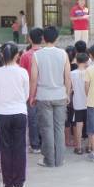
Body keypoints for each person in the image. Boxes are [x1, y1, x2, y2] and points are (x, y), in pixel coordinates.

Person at [0, 42, 29, 187]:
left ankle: (8, 183)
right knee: (19, 147)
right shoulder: (23, 72)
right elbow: (26, 94)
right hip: (19, 113)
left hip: (3, 114)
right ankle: (19, 183)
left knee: (5, 148)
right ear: (17, 55)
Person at [29, 26, 72, 168]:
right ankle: (59, 160)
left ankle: (49, 160)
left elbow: (34, 79)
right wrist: (68, 93)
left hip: (43, 96)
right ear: (57, 38)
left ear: (43, 38)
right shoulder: (63, 54)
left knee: (47, 128)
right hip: (60, 95)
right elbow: (67, 77)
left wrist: (32, 96)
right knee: (59, 128)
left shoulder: (37, 55)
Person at [19, 28, 44, 154]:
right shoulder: (46, 54)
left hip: (30, 91)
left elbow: (22, 76)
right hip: (45, 91)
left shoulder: (25, 56)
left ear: (29, 39)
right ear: (43, 39)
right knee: (45, 118)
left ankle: (35, 145)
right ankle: (46, 143)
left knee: (33, 119)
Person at [71, 52, 89, 155]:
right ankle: (89, 146)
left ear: (76, 61)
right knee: (90, 124)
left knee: (78, 124)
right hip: (89, 102)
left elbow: (70, 88)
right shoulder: (89, 72)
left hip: (77, 102)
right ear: (87, 61)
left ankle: (78, 147)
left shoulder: (72, 73)